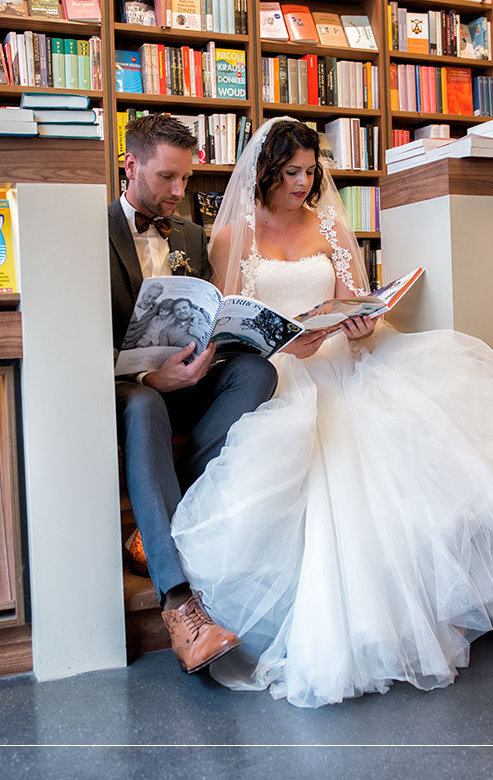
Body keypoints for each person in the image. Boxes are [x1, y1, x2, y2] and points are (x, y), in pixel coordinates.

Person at [169, 118, 493, 708]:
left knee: (436, 429)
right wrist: (281, 346)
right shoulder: (231, 237)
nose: (303, 184)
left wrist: (360, 322)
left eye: (310, 171)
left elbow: (359, 301)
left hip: (345, 359)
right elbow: (231, 330)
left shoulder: (328, 222)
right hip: (281, 372)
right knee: (321, 458)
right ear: (266, 172)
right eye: (291, 173)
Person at [107, 114, 278, 674]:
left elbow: (204, 311)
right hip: (132, 392)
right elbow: (76, 340)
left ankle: (164, 497)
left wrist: (218, 345)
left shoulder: (188, 234)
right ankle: (180, 605)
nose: (180, 193)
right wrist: (147, 377)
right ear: (130, 166)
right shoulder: (91, 231)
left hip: (190, 379)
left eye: (186, 179)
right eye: (167, 179)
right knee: (144, 403)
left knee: (256, 372)